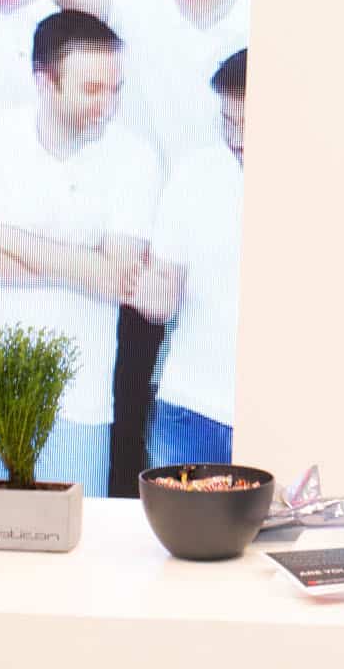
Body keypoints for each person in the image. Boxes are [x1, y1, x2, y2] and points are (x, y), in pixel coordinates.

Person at [47, 0, 249, 492]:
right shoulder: (138, 8)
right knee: (131, 399)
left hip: (226, 239)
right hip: (146, 243)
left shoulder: (266, 14)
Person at [0, 10, 161, 494]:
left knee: (74, 550)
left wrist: (7, 236)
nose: (107, 104)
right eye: (91, 89)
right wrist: (79, 263)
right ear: (45, 82)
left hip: (78, 402)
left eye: (115, 88)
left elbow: (116, 278)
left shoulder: (135, 158)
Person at [131, 49, 247, 467]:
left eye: (249, 125)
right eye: (229, 122)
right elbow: (162, 299)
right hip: (189, 409)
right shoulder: (195, 174)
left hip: (277, 418)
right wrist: (137, 283)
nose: (236, 139)